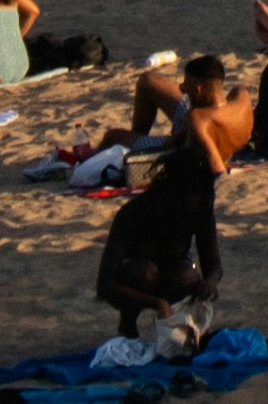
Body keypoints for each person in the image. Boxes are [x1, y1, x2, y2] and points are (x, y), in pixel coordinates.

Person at [98, 62, 250, 326]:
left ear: (200, 89)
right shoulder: (241, 97)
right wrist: (154, 302)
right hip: (143, 272)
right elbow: (104, 285)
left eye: (187, 86)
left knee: (115, 136)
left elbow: (213, 263)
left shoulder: (195, 208)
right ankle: (129, 320)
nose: (181, 88)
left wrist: (210, 283)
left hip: (169, 273)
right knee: (145, 272)